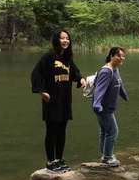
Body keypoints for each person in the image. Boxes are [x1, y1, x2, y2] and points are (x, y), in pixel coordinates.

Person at [31, 30, 86, 172]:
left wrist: (81, 79)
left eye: (67, 38)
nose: (65, 41)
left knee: (62, 130)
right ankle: (50, 161)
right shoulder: (48, 57)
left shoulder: (67, 58)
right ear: (57, 40)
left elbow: (75, 72)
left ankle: (60, 159)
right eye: (62, 38)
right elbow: (36, 74)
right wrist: (42, 91)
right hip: (51, 100)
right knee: (51, 131)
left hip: (65, 100)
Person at [92, 46, 128, 167]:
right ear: (112, 56)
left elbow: (119, 83)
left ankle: (105, 155)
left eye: (123, 56)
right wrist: (97, 104)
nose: (121, 58)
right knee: (113, 131)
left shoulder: (115, 69)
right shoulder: (106, 71)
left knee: (105, 131)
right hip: (103, 108)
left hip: (108, 108)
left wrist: (124, 95)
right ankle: (107, 157)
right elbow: (99, 89)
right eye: (119, 56)